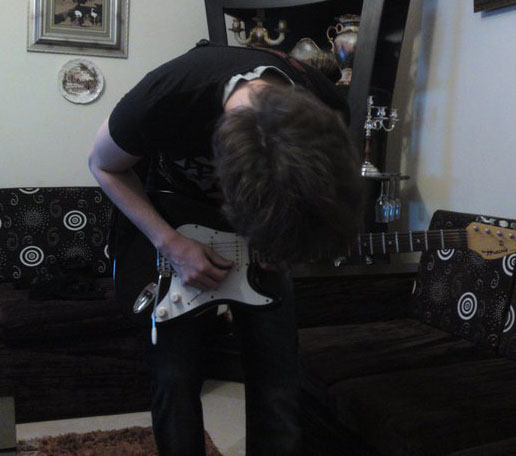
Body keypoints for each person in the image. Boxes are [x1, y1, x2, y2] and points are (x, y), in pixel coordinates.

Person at [89, 39, 364, 455]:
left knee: (279, 385)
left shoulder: (329, 109)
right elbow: (102, 165)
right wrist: (172, 244)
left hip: (258, 243)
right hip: (170, 230)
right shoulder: (166, 95)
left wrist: (282, 243)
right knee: (174, 381)